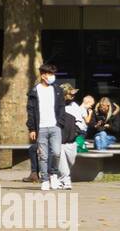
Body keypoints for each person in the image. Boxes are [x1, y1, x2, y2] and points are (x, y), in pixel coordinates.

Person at [27, 62, 65, 191]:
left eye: (53, 74)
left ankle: (53, 174)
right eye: (50, 74)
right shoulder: (34, 91)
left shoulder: (57, 90)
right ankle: (44, 179)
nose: (52, 76)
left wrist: (60, 123)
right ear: (43, 75)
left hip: (55, 126)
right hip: (41, 127)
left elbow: (61, 107)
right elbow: (31, 110)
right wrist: (32, 128)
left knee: (56, 152)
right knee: (43, 155)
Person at [58, 85, 81, 190]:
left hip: (72, 140)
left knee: (71, 161)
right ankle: (65, 180)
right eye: (70, 93)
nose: (73, 95)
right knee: (62, 162)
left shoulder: (75, 106)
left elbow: (80, 121)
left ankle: (62, 178)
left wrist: (77, 132)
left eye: (74, 94)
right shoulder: (57, 106)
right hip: (60, 139)